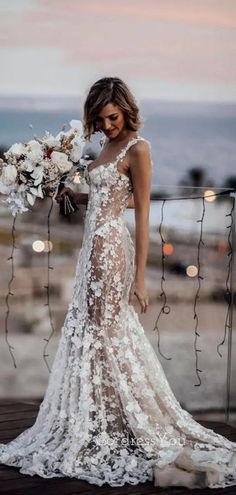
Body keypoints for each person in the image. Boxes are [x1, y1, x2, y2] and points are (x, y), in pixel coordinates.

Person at [0, 77, 236, 489]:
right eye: (101, 119)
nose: (107, 125)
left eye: (113, 117)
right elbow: (112, 195)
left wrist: (140, 279)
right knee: (90, 330)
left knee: (107, 331)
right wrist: (74, 194)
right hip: (91, 247)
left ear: (127, 111)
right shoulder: (105, 148)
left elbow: (142, 213)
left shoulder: (138, 149)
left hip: (112, 249)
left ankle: (132, 421)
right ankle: (102, 418)